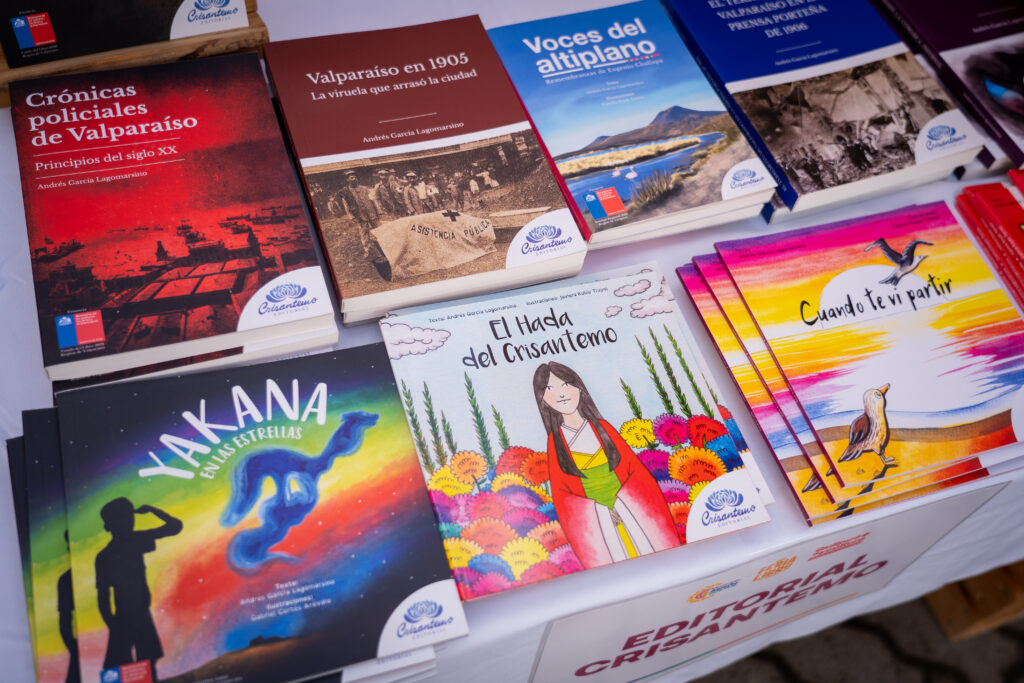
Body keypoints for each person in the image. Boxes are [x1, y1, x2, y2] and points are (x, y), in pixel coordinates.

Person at [532, 362, 680, 569]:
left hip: (630, 510)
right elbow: (562, 493)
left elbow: (636, 472)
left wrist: (620, 504)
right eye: (550, 388)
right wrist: (600, 510)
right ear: (543, 400)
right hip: (598, 521)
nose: (561, 393)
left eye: (566, 384)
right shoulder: (555, 442)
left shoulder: (603, 428)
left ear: (579, 388)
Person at [95, 497, 182, 681]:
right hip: (124, 618)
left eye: (130, 517)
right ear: (112, 524)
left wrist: (153, 509)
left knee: (145, 666)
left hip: (138, 615)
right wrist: (113, 625)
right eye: (125, 518)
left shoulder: (132, 541)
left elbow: (175, 527)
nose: (130, 522)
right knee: (123, 669)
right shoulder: (107, 555)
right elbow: (103, 596)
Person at [336, 170, 381, 259]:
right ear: (347, 180)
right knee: (364, 233)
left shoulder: (365, 189)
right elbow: (346, 206)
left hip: (371, 213)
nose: (354, 179)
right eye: (351, 178)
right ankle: (368, 250)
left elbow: (373, 200)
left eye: (355, 177)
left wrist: (378, 210)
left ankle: (384, 245)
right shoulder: (346, 192)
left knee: (379, 229)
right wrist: (352, 217)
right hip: (360, 215)